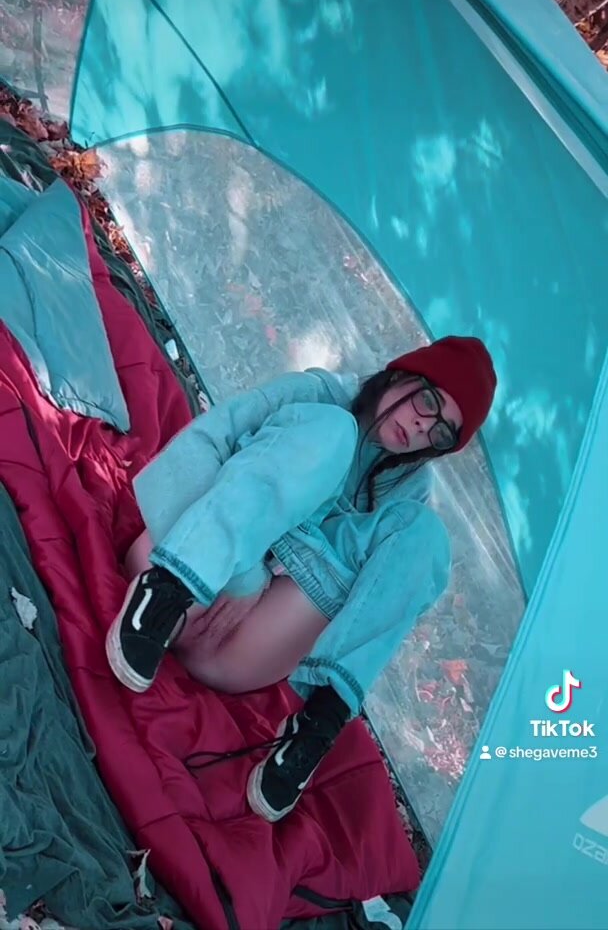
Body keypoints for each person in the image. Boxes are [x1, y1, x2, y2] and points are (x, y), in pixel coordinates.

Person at [106, 335, 496, 823]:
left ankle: (318, 724)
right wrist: (245, 575)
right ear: (402, 375)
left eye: (441, 433)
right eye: (429, 402)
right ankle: (162, 592)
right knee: (334, 432)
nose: (423, 427)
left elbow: (363, 594)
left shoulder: (408, 493)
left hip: (237, 651)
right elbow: (206, 441)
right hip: (182, 572)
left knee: (427, 539)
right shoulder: (318, 395)